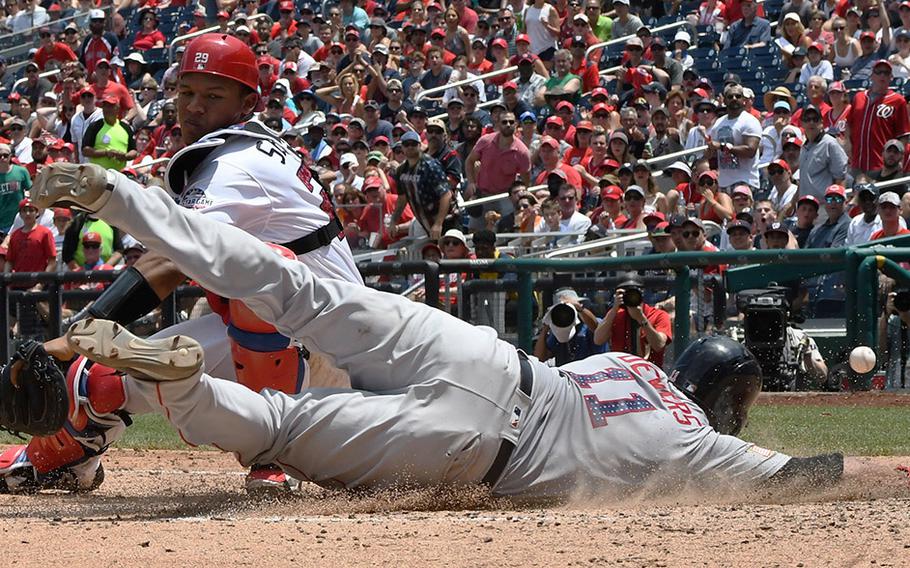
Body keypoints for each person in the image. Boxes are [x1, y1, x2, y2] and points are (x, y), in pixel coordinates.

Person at [21, 172, 850, 498]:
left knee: (294, 288)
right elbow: (802, 476)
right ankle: (178, 380)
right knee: (276, 425)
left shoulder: (629, 360)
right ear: (719, 403)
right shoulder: (696, 440)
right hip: (476, 448)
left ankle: (116, 194)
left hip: (487, 360)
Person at [0, 34, 364, 496]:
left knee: (255, 286)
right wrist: (82, 345)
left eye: (213, 96)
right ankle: (56, 462)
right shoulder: (242, 148)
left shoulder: (236, 165)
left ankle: (280, 454)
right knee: (101, 379)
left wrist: (73, 337)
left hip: (333, 347)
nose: (194, 107)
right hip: (303, 335)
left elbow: (171, 261)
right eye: (187, 92)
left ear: (247, 102)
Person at [388, 131, 455, 242]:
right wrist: (393, 221)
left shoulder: (430, 166)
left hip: (447, 220)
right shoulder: (401, 170)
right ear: (402, 148)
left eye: (413, 144)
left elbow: (446, 195)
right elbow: (402, 199)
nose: (410, 147)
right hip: (425, 222)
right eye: (406, 144)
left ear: (420, 145)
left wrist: (438, 224)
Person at [846, 60, 910, 176]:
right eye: (879, 72)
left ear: (891, 77)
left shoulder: (898, 101)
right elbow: (849, 124)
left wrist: (897, 160)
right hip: (857, 162)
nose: (882, 75)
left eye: (886, 73)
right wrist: (848, 146)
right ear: (872, 75)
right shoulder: (859, 97)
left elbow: (903, 135)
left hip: (881, 166)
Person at [594, 275, 673, 369]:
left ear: (642, 293)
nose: (630, 296)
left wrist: (642, 319)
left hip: (650, 374)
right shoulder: (615, 315)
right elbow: (598, 340)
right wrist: (614, 309)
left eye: (634, 292)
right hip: (621, 373)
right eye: (626, 293)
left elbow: (659, 345)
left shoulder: (659, 315)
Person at [533, 289, 605, 366]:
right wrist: (546, 326)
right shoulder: (556, 332)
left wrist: (580, 309)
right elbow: (539, 358)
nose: (564, 315)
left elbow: (597, 328)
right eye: (561, 311)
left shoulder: (587, 326)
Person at [81, 94, 137, 172]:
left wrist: (125, 156)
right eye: (105, 106)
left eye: (110, 106)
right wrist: (106, 153)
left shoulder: (126, 128)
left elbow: (133, 151)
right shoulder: (95, 126)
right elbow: (85, 150)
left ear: (117, 109)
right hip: (99, 174)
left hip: (120, 174)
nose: (107, 109)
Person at [0, 143, 31, 236]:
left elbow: (30, 191)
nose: (2, 158)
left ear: (10, 157)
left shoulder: (21, 171)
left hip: (19, 221)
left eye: (5, 155)